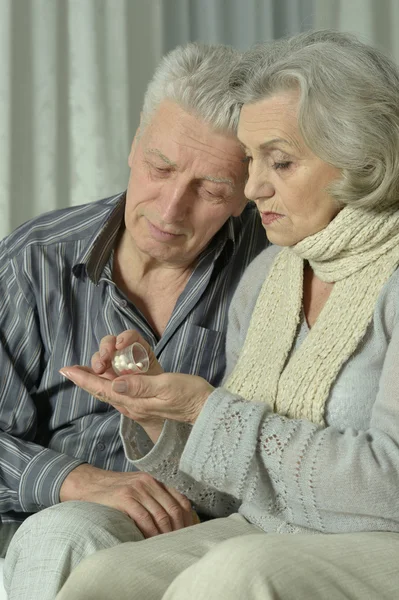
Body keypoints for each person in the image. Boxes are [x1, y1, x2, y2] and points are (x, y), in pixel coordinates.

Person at [54, 29, 399, 600]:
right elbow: (227, 493)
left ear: (357, 159)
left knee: (236, 572)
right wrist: (158, 413)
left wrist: (209, 409)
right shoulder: (268, 277)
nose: (253, 185)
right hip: (264, 529)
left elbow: (391, 485)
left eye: (280, 162)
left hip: (380, 542)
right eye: (250, 160)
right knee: (104, 579)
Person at [1, 43, 267, 599]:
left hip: (219, 531)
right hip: (60, 523)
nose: (171, 210)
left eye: (211, 190)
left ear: (246, 194)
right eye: (160, 167)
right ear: (133, 147)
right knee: (64, 535)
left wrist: (164, 421)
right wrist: (75, 481)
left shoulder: (275, 273)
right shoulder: (35, 260)